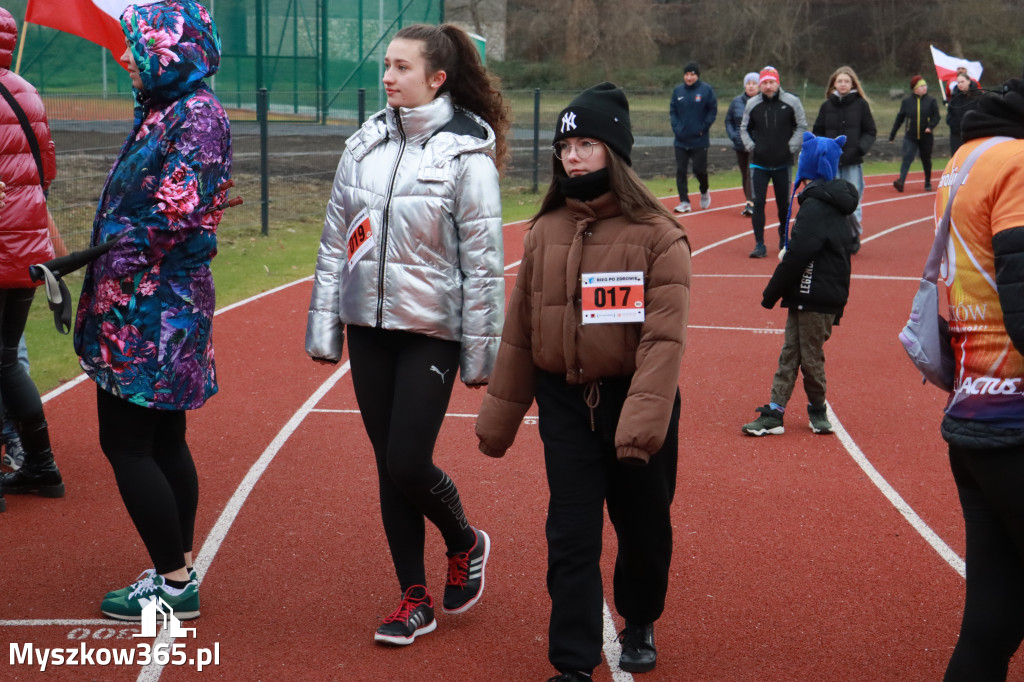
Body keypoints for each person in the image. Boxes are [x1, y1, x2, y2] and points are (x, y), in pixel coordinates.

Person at [475, 82, 691, 681]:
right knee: (570, 535)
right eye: (564, 144)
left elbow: (662, 344)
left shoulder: (659, 237)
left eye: (586, 143)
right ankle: (572, 664)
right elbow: (521, 331)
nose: (571, 155)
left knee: (643, 528)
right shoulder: (544, 231)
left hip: (635, 402)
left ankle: (641, 617)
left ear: (614, 152)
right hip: (565, 405)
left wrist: (641, 427)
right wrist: (500, 416)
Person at [305, 23, 508, 646]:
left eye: (401, 68)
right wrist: (324, 326)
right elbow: (336, 240)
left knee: (406, 460)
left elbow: (483, 263)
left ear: (437, 78)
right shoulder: (363, 145)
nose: (388, 77)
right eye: (387, 66)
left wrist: (481, 350)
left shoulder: (468, 157)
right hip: (369, 327)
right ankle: (412, 596)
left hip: (432, 332)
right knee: (386, 467)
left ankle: (464, 540)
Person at [74, 0, 231, 619]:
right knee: (163, 435)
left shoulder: (194, 117)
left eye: (136, 47)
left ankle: (171, 584)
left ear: (168, 51)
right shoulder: (169, 109)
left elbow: (171, 217)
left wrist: (103, 256)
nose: (125, 58)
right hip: (147, 302)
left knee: (129, 443)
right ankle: (179, 569)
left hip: (152, 308)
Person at [934, 75, 1024, 682]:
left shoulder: (966, 156)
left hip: (973, 411)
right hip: (1017, 416)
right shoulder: (1019, 162)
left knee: (991, 619)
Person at [741, 132, 857, 437]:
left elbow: (799, 254)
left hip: (815, 295)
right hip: (810, 293)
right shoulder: (827, 204)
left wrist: (771, 293)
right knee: (791, 353)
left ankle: (818, 410)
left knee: (809, 355)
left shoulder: (817, 207)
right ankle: (775, 412)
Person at [0, 6, 62, 510]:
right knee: (6, 361)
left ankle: (34, 463)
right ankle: (41, 464)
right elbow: (48, 170)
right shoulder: (27, 92)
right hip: (24, 248)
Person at [741, 65, 808, 258]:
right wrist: (751, 146)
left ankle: (783, 241)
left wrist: (790, 147)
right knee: (758, 202)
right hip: (759, 162)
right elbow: (744, 128)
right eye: (765, 83)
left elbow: (802, 126)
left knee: (783, 204)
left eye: (771, 82)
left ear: (778, 83)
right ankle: (759, 244)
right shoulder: (752, 104)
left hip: (783, 162)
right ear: (760, 85)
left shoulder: (792, 102)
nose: (768, 86)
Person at [812, 65, 876, 247]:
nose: (843, 84)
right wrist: (822, 149)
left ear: (852, 84)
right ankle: (834, 236)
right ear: (833, 84)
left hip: (852, 161)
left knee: (852, 198)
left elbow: (870, 131)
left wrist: (859, 148)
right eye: (839, 81)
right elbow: (818, 131)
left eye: (846, 81)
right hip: (830, 163)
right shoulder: (826, 106)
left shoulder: (861, 105)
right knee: (831, 200)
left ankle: (854, 235)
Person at [670, 61, 717, 213]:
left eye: (692, 74)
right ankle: (684, 201)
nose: (689, 77)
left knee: (699, 170)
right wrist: (677, 128)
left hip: (699, 139)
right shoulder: (678, 91)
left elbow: (712, 111)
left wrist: (703, 128)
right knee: (681, 170)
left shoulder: (706, 90)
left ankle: (704, 190)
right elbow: (673, 112)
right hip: (681, 140)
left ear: (697, 75)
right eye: (687, 74)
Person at [888, 74, 940, 192]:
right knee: (907, 158)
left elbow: (936, 117)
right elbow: (899, 119)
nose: (924, 88)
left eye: (925, 86)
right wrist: (892, 134)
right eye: (922, 86)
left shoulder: (931, 101)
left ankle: (927, 181)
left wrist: (930, 127)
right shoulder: (907, 102)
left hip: (926, 137)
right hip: (910, 136)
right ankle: (901, 181)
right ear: (915, 88)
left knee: (926, 159)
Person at [725, 72, 760, 216]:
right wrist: (733, 136)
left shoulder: (761, 101)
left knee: (750, 173)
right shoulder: (736, 102)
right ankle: (750, 200)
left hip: (755, 144)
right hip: (739, 144)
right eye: (748, 83)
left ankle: (750, 203)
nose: (751, 86)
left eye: (754, 83)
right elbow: (728, 121)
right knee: (743, 174)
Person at [946, 73, 982, 155]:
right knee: (956, 157)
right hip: (956, 134)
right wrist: (951, 124)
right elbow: (950, 113)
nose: (960, 84)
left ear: (969, 81)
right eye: (958, 82)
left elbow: (982, 112)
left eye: (962, 82)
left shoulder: (978, 95)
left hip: (973, 134)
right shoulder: (954, 96)